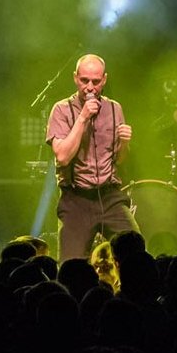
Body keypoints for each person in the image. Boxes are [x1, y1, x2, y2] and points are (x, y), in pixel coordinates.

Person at [47, 54, 136, 260]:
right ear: (75, 78)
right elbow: (62, 157)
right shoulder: (61, 110)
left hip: (110, 195)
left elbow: (120, 160)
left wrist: (124, 143)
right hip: (76, 198)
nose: (90, 87)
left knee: (135, 252)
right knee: (71, 264)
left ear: (104, 80)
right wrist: (83, 117)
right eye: (84, 80)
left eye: (96, 82)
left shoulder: (115, 108)